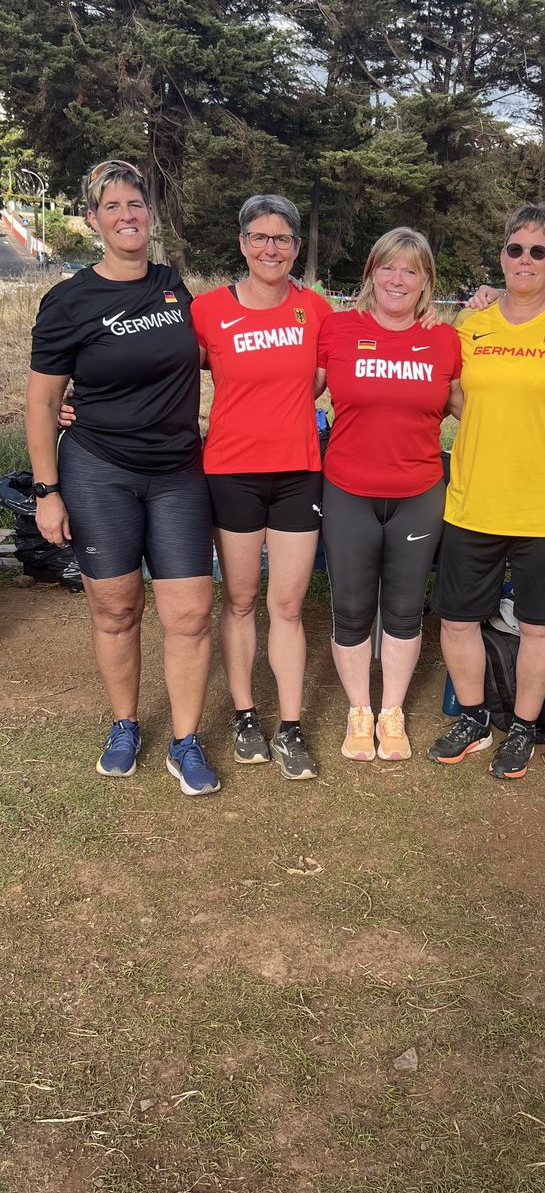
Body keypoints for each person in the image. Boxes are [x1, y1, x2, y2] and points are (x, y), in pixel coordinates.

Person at [26, 159, 219, 796]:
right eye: (112, 206)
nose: (127, 215)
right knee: (115, 607)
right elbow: (41, 402)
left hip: (178, 472)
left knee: (190, 613)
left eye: (136, 204)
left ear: (151, 215)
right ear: (93, 220)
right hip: (98, 470)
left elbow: (224, 343)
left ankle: (185, 741)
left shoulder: (173, 285)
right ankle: (125, 724)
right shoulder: (68, 300)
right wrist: (47, 492)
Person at [426, 203, 545, 780]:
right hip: (474, 500)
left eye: (537, 251)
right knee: (457, 619)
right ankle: (475, 716)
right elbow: (451, 393)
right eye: (514, 249)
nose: (524, 260)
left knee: (539, 625)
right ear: (502, 256)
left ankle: (524, 726)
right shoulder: (471, 323)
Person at [189, 195, 332, 779]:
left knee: (289, 605)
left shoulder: (315, 308)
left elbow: (322, 378)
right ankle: (245, 715)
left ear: (296, 247)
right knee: (242, 599)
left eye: (282, 239)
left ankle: (290, 727)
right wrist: (81, 402)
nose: (271, 249)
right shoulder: (207, 310)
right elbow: (159, 369)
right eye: (259, 237)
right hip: (231, 471)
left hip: (298, 471)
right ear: (242, 243)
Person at [316, 229, 462, 761]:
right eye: (388, 267)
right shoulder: (338, 328)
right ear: (371, 273)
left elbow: (476, 408)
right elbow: (291, 390)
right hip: (348, 490)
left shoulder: (445, 340)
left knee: (403, 610)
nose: (398, 279)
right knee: (352, 608)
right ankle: (360, 711)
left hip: (418, 492)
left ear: (426, 281)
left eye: (411, 270)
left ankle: (391, 712)